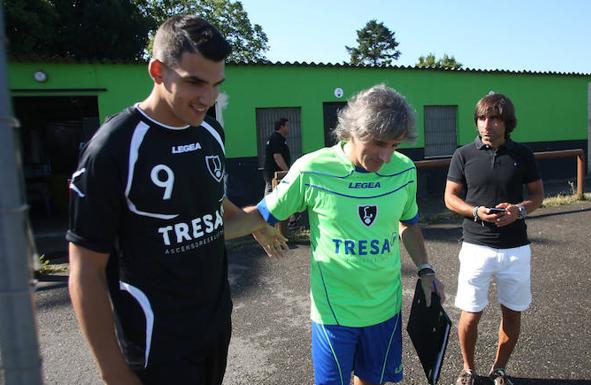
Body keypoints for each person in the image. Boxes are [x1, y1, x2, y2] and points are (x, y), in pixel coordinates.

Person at [66, 15, 287, 385]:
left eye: (216, 84)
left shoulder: (210, 133)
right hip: (155, 340)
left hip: (215, 324)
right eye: (195, 83)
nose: (208, 98)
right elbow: (84, 271)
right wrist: (114, 372)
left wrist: (257, 224)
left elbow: (213, 210)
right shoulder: (114, 147)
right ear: (157, 71)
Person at [255, 84, 445, 385]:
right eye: (379, 142)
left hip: (385, 308)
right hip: (334, 315)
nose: (385, 156)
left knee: (373, 381)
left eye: (394, 145)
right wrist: (259, 229)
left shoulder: (404, 170)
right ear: (353, 130)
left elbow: (408, 224)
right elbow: (263, 213)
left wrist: (425, 269)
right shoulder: (312, 169)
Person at [444, 93, 544, 385]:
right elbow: (450, 198)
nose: (487, 124)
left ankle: (499, 369)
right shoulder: (463, 154)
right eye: (482, 118)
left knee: (512, 314)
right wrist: (475, 211)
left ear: (506, 122)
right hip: (476, 247)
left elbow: (537, 195)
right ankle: (468, 369)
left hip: (515, 249)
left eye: (495, 118)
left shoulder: (522, 155)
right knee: (471, 313)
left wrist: (519, 211)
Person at [263, 117, 291, 195]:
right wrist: (288, 172)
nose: (289, 128)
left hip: (276, 174)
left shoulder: (280, 139)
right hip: (273, 175)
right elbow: (277, 157)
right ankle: (264, 207)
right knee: (270, 194)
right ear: (282, 127)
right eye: (287, 126)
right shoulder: (276, 139)